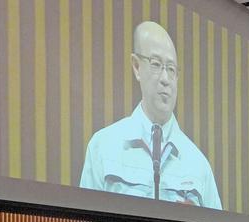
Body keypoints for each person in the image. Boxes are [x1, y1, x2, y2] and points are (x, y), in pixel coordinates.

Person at [80, 21, 221, 209]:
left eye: (171, 69)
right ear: (137, 67)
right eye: (156, 64)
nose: (165, 79)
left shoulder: (197, 163)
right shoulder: (103, 146)